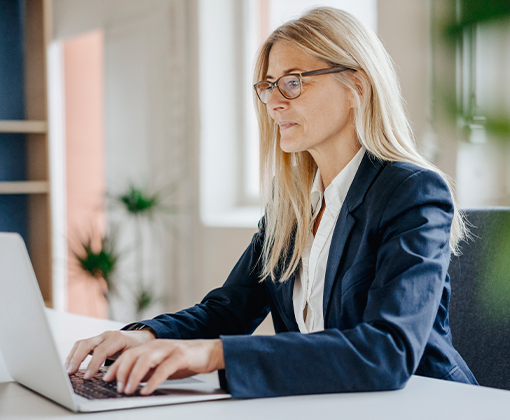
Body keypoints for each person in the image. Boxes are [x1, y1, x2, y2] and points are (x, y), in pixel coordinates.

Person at [65, 6, 478, 399]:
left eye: (293, 82)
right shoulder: (292, 202)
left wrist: (213, 355)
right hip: (333, 403)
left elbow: (386, 351)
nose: (275, 102)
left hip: (427, 405)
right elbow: (229, 310)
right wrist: (145, 336)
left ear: (356, 86)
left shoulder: (412, 193)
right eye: (268, 86)